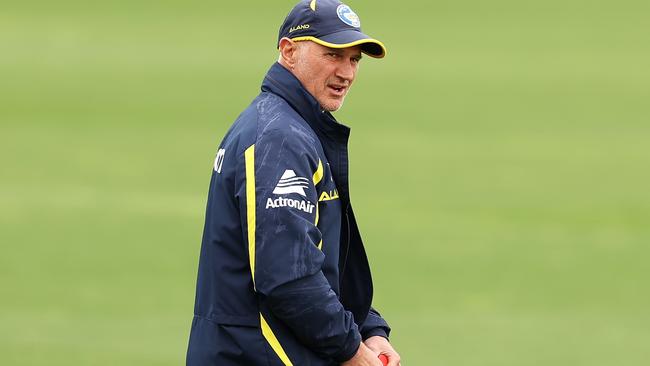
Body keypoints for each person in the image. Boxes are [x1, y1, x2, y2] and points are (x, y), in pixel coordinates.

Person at [186, 1, 401, 365]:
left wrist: (368, 328)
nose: (346, 72)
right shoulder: (279, 138)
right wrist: (350, 349)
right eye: (333, 54)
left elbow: (321, 260)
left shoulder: (292, 128)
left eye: (354, 60)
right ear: (289, 51)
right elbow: (289, 278)